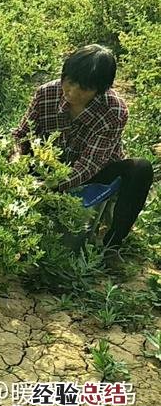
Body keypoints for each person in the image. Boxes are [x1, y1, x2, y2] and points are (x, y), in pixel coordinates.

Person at [12, 44, 154, 252]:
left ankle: (111, 245)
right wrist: (17, 157)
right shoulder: (46, 93)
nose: (72, 93)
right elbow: (21, 134)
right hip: (50, 163)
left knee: (141, 169)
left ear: (99, 89)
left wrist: (50, 185)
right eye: (69, 83)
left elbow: (90, 164)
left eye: (84, 89)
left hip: (94, 172)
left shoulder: (114, 110)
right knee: (0, 145)